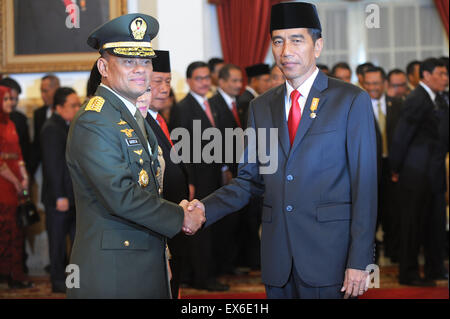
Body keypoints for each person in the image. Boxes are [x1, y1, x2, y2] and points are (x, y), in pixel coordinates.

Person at [186, 2, 378, 299]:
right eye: (278, 41)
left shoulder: (350, 100)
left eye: (296, 40)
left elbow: (364, 186)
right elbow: (249, 180)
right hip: (278, 259)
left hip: (330, 258)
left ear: (318, 46)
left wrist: (360, 259)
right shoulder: (261, 106)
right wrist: (203, 209)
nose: (286, 50)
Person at [65, 13, 205, 299]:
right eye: (128, 61)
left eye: (145, 61)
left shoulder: (128, 115)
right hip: (113, 271)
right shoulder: (96, 119)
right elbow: (121, 195)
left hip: (140, 258)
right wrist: (180, 216)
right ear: (103, 66)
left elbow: (149, 186)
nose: (140, 69)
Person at [169, 61, 228, 292]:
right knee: (199, 230)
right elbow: (181, 149)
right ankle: (202, 277)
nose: (204, 82)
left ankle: (205, 273)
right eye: (199, 78)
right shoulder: (184, 107)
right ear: (189, 81)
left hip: (212, 175)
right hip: (196, 177)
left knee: (210, 225)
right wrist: (189, 181)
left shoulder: (210, 104)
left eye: (206, 77)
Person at [390, 58, 449, 286]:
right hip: (415, 174)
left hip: (433, 173)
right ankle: (409, 273)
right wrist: (395, 168)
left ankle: (435, 268)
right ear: (426, 75)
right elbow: (401, 137)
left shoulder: (438, 99)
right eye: (441, 74)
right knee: (412, 225)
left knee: (434, 224)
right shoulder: (417, 99)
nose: (445, 78)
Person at [142, 50, 190, 298]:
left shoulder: (159, 119)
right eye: (157, 81)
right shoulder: (138, 123)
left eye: (168, 81)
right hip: (159, 224)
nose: (164, 89)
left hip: (174, 220)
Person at [40, 87, 80, 293]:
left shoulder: (68, 125)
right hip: (59, 198)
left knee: (76, 244)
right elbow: (53, 166)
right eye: (73, 105)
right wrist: (60, 196)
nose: (78, 108)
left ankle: (73, 283)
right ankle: (57, 282)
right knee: (57, 244)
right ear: (58, 107)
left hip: (73, 197)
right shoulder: (51, 128)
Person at [362, 66, 403, 263]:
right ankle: (372, 256)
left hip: (393, 169)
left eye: (376, 83)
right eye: (368, 83)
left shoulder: (398, 104)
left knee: (394, 212)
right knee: (370, 215)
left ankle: (394, 253)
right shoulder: (357, 107)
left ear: (384, 84)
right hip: (369, 171)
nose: (372, 87)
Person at [0, 85, 32, 289]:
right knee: (6, 230)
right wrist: (15, 181)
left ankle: (15, 275)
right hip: (3, 185)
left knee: (17, 230)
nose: (10, 103)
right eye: (5, 99)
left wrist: (24, 175)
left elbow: (18, 154)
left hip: (15, 184)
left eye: (11, 99)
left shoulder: (11, 123)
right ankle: (7, 275)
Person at [29, 74, 60, 178]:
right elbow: (37, 144)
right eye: (41, 91)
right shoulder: (38, 114)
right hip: (43, 168)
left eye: (45, 91)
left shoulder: (67, 111)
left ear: (56, 89)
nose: (42, 95)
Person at [0, 78, 31, 173]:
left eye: (15, 99)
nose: (12, 103)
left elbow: (25, 149)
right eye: (8, 98)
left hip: (17, 170)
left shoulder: (20, 119)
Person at [237, 63, 271, 129]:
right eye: (266, 80)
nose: (269, 84)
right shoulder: (247, 101)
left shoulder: (255, 98)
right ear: (254, 80)